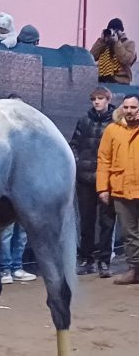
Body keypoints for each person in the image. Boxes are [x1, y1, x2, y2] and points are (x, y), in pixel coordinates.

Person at [69, 86, 116, 277]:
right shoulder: (84, 121)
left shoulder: (116, 122)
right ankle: (86, 259)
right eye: (94, 99)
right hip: (85, 180)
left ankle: (104, 261)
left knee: (107, 222)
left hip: (108, 181)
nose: (96, 102)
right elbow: (74, 145)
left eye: (100, 98)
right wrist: (79, 164)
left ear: (108, 100)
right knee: (86, 222)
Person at [97, 93, 139, 284]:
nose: (129, 111)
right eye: (127, 107)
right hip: (121, 190)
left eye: (133, 107)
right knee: (129, 234)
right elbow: (104, 159)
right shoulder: (112, 130)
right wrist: (102, 188)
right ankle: (134, 270)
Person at [90, 18, 136, 84]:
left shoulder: (129, 43)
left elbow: (125, 60)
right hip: (103, 81)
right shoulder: (104, 44)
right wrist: (101, 41)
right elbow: (91, 56)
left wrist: (116, 42)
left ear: (121, 31)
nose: (113, 32)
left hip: (120, 81)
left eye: (115, 30)